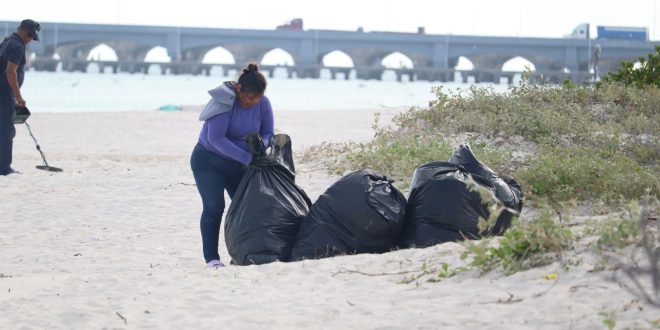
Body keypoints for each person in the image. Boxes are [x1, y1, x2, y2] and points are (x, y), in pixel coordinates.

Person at [190, 63, 273, 268]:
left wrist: (261, 145)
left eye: (256, 98)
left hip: (239, 164)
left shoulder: (263, 104)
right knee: (214, 207)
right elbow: (216, 138)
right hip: (209, 162)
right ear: (239, 90)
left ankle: (243, 253)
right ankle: (212, 258)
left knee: (247, 207)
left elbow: (268, 132)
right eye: (248, 97)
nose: (252, 102)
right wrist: (246, 157)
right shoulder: (224, 102)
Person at [0, 19, 40, 176]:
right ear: (23, 30)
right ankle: (4, 168)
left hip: (2, 92)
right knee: (7, 131)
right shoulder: (17, 46)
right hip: (4, 94)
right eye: (30, 36)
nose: (30, 40)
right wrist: (18, 96)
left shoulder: (8, 40)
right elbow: (10, 72)